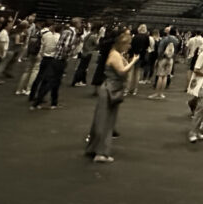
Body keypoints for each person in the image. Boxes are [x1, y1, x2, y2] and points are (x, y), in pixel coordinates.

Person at [85, 29, 138, 163]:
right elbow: (121, 71)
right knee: (105, 121)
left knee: (105, 120)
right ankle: (100, 152)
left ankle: (94, 148)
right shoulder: (115, 55)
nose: (130, 46)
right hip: (110, 89)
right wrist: (133, 61)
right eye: (128, 44)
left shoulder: (117, 54)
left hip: (113, 89)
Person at [32, 18, 79, 109]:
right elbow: (66, 47)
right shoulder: (71, 33)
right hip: (61, 60)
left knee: (55, 82)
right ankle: (38, 102)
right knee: (52, 81)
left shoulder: (66, 31)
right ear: (76, 24)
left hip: (56, 58)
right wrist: (70, 54)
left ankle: (53, 102)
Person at [28, 22, 61, 102]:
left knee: (38, 76)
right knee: (46, 79)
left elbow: (42, 45)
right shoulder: (58, 37)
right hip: (51, 58)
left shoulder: (46, 35)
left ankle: (32, 95)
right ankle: (40, 96)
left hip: (43, 56)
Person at [149, 27, 175, 100]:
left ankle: (157, 93)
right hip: (170, 59)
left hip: (163, 58)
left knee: (160, 75)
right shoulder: (176, 40)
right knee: (166, 76)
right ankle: (161, 93)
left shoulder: (164, 39)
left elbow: (160, 50)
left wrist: (158, 59)